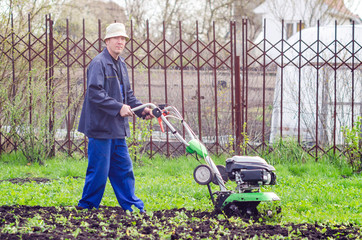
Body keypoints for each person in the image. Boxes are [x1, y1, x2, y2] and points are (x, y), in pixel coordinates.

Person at [77, 22, 153, 213]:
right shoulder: (98, 63)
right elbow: (95, 93)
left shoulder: (121, 64)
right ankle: (86, 207)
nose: (121, 42)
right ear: (107, 40)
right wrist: (119, 108)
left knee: (124, 169)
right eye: (116, 38)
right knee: (99, 172)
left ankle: (133, 206)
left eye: (123, 39)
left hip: (117, 129)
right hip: (101, 128)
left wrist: (142, 110)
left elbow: (128, 95)